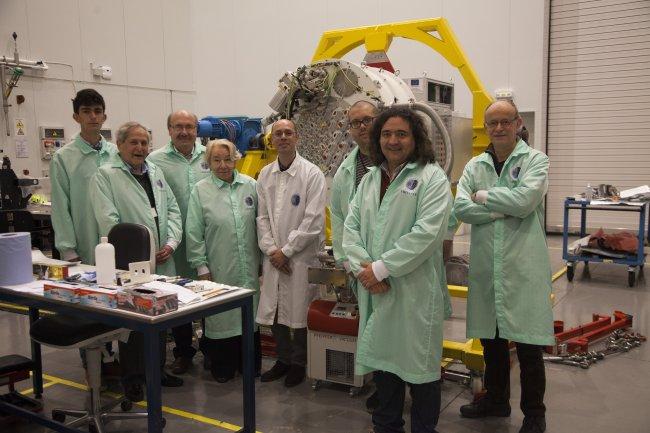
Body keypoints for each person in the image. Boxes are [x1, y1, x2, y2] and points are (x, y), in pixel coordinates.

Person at [342, 106, 452, 433]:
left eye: (401, 134)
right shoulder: (371, 179)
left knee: (420, 373)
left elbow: (426, 235)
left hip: (414, 292)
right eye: (386, 134)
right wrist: (366, 271)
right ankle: (386, 427)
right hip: (376, 289)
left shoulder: (431, 178)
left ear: (415, 138)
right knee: (385, 369)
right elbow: (351, 230)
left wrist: (380, 269)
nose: (393, 140)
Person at [453, 99, 554, 433]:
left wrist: (483, 197)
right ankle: (496, 401)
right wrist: (501, 208)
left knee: (527, 344)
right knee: (491, 341)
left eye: (505, 122)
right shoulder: (475, 165)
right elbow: (460, 209)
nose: (498, 128)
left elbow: (526, 202)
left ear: (517, 123)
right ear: (486, 127)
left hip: (522, 266)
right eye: (492, 123)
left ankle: (534, 415)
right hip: (486, 267)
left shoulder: (535, 160)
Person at [90, 121, 185, 399]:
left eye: (144, 143)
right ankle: (132, 377)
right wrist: (141, 249)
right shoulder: (105, 175)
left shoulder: (155, 172)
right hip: (129, 262)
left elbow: (173, 210)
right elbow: (109, 220)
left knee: (159, 318)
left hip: (162, 258)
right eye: (133, 142)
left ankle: (157, 370)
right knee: (132, 320)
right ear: (119, 145)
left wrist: (170, 242)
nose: (140, 148)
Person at [256, 119, 326, 387]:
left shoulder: (312, 174)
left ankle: (299, 363)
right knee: (274, 311)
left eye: (288, 133)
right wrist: (272, 250)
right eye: (278, 134)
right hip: (274, 256)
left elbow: (313, 221)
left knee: (299, 312)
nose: (283, 137)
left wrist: (286, 251)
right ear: (272, 140)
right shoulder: (265, 175)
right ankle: (282, 360)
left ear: (297, 137)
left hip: (299, 257)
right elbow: (261, 218)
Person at [185, 139, 262, 382]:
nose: (222, 165)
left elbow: (262, 225)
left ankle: (249, 364)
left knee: (249, 314)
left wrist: (263, 261)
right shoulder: (201, 190)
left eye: (227, 159)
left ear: (236, 159)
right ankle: (223, 366)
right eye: (216, 160)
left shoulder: (250, 186)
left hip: (248, 266)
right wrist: (201, 266)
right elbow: (194, 231)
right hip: (218, 267)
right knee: (221, 316)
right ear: (208, 163)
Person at [148, 110, 210, 374]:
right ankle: (184, 352)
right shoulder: (155, 160)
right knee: (178, 300)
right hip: (173, 245)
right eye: (178, 127)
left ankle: (212, 350)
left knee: (210, 297)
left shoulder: (210, 155)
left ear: (197, 129)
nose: (184, 132)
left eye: (189, 127)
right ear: (169, 129)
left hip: (207, 242)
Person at [330, 100, 381, 411]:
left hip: (394, 263)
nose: (363, 127)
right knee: (372, 327)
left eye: (368, 120)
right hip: (361, 264)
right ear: (349, 130)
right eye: (356, 122)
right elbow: (338, 217)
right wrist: (346, 261)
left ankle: (412, 385)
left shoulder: (398, 161)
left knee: (399, 328)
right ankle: (382, 384)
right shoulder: (345, 171)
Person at [51, 88, 117, 264]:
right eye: (86, 111)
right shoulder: (63, 157)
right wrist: (67, 249)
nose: (93, 116)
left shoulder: (116, 153)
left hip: (117, 238)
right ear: (76, 117)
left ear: (104, 117)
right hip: (83, 242)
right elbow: (60, 206)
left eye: (97, 111)